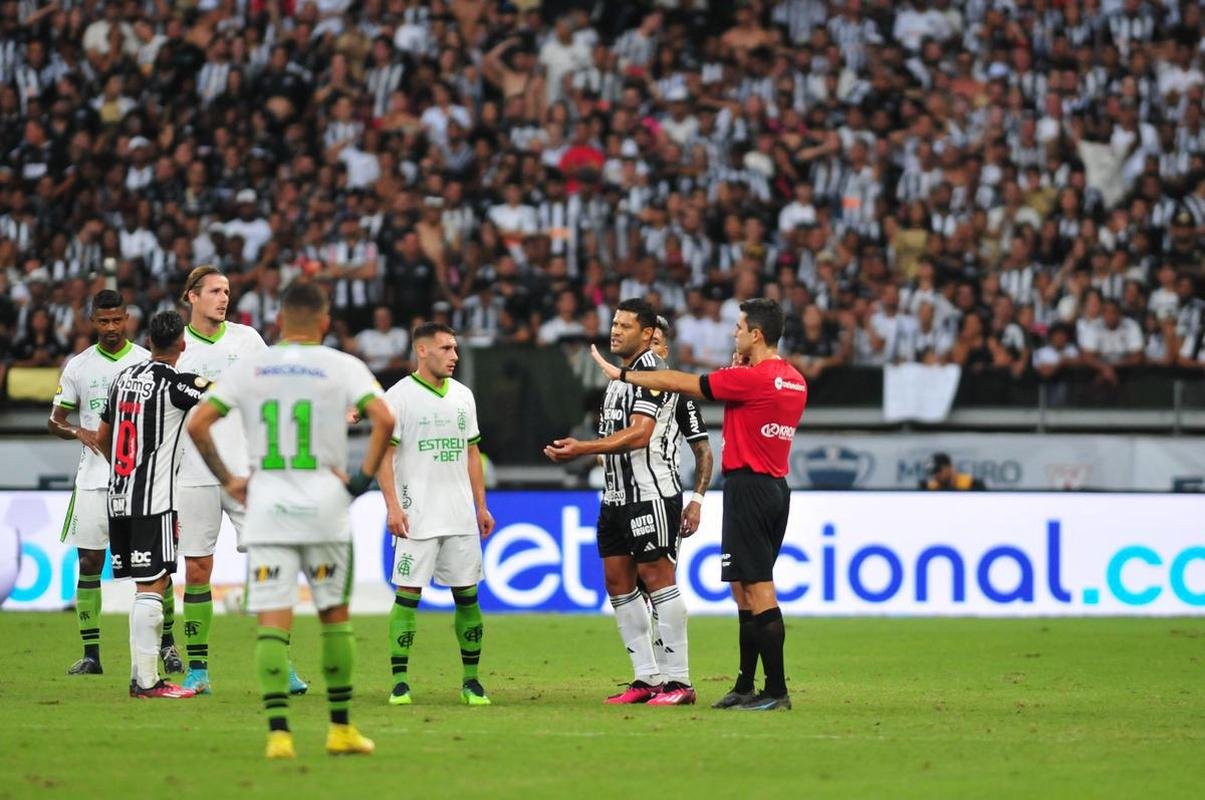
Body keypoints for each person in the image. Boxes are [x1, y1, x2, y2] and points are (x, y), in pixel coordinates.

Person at [187, 281, 395, 759]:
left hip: (267, 506)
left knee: (271, 624)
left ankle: (279, 735)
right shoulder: (343, 365)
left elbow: (199, 423)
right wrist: (361, 481)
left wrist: (230, 480)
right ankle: (340, 729)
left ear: (279, 322)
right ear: (324, 322)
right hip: (325, 505)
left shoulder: (250, 366)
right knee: (334, 620)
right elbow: (384, 418)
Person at [587, 298, 808, 711]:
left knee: (758, 590)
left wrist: (624, 374)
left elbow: (690, 385)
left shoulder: (753, 379)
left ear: (756, 335)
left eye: (739, 327)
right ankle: (746, 685)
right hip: (775, 485)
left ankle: (776, 691)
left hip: (749, 487)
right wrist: (739, 365)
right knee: (743, 589)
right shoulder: (793, 379)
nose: (733, 333)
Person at [545, 298, 695, 706]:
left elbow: (640, 434)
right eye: (614, 323)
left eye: (625, 325)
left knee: (657, 578)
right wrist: (593, 450)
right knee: (617, 582)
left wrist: (583, 448)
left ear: (648, 334)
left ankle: (678, 681)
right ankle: (646, 678)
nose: (615, 331)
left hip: (650, 493)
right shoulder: (617, 378)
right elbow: (616, 438)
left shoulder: (651, 373)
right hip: (615, 497)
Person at [173, 265, 306, 696]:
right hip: (192, 470)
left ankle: (278, 663)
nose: (223, 298)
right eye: (214, 291)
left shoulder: (248, 340)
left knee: (271, 560)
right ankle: (198, 670)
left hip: (246, 470)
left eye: (227, 291)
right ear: (191, 297)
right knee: (197, 567)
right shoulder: (177, 345)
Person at [377, 322, 496, 707]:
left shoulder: (463, 396)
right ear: (422, 351)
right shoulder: (399, 397)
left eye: (455, 348)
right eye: (446, 348)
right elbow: (384, 455)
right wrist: (392, 506)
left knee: (468, 598)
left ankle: (472, 681)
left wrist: (481, 505)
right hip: (417, 517)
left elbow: (471, 453)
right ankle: (399, 682)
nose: (454, 356)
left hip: (460, 516)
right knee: (408, 596)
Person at [96, 311, 209, 698]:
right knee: (153, 585)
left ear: (147, 341)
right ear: (182, 343)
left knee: (146, 587)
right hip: (154, 500)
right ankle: (146, 681)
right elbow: (221, 399)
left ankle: (141, 676)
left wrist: (124, 473)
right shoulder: (178, 385)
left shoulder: (121, 378)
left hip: (118, 496)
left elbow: (102, 436)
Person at [48, 290, 151, 676]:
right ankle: (92, 655)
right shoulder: (79, 366)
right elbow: (54, 420)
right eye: (103, 322)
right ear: (92, 321)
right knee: (90, 562)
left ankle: (168, 646)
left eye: (117, 320)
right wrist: (78, 432)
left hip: (140, 478)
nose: (111, 328)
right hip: (93, 479)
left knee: (153, 566)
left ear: (127, 318)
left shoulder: (145, 362)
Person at [648, 316, 713, 676]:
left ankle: (669, 672)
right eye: (648, 342)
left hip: (664, 496)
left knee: (660, 584)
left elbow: (703, 451)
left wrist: (697, 500)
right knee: (630, 590)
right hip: (623, 499)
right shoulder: (621, 390)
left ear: (666, 349)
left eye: (658, 343)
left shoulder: (678, 398)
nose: (652, 349)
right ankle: (647, 673)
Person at [919, 453, 985, 491]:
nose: (935, 475)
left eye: (938, 470)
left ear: (950, 467)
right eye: (932, 472)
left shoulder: (972, 484)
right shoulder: (928, 487)